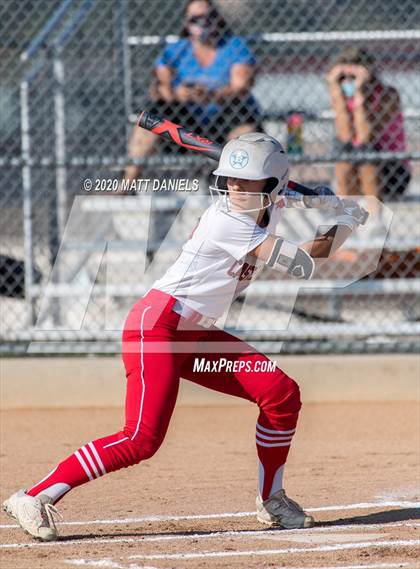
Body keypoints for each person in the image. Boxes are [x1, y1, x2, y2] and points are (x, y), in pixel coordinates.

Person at [3, 133, 367, 541]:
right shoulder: (225, 218)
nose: (233, 186)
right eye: (230, 178)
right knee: (141, 438)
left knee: (281, 394)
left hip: (195, 334)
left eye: (245, 181)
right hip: (158, 326)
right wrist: (345, 221)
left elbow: (282, 199)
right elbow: (301, 262)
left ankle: (272, 500)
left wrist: (315, 197)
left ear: (272, 186)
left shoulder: (269, 204)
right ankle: (33, 496)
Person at [123, 0, 261, 183]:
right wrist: (178, 94)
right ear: (186, 23)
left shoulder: (233, 46)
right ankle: (127, 183)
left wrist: (213, 96)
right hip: (186, 126)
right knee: (154, 114)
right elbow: (160, 88)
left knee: (243, 115)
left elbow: (241, 86)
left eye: (209, 17)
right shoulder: (177, 50)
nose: (204, 23)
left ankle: (233, 186)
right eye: (196, 19)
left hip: (222, 121)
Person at [327, 47, 411, 217]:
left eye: (354, 77)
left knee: (366, 154)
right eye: (345, 78)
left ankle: (374, 219)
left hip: (390, 168)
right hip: (353, 165)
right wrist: (335, 90)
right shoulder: (341, 95)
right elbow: (346, 137)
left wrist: (359, 93)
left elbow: (366, 138)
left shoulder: (388, 95)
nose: (349, 82)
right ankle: (345, 219)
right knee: (344, 155)